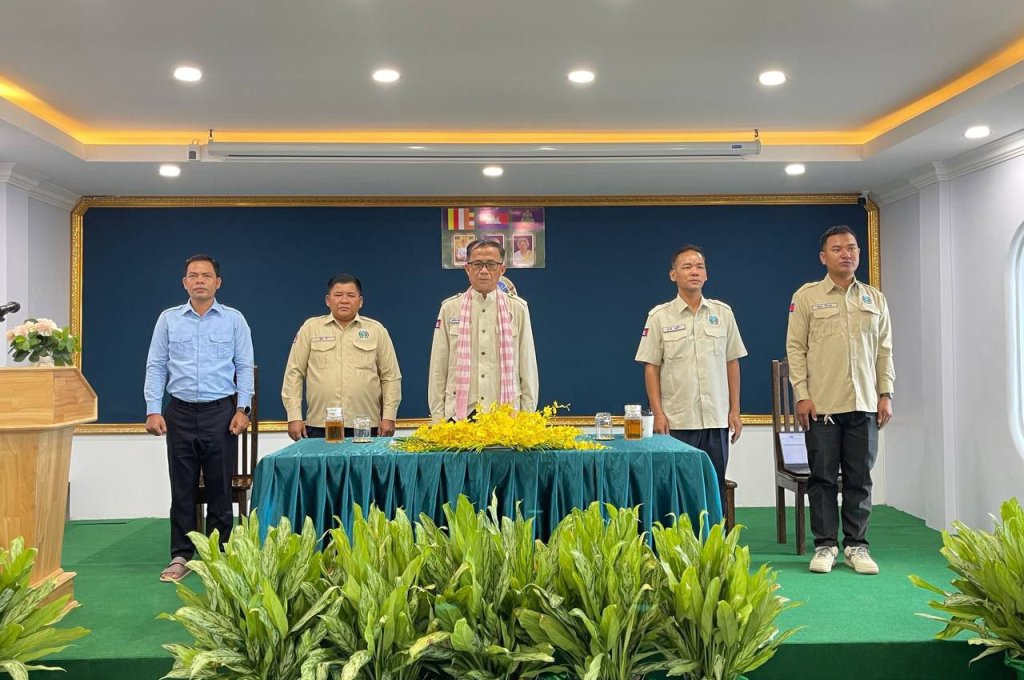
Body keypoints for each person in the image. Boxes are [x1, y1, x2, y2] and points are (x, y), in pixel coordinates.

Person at [786, 225, 894, 575]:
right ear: (823, 257)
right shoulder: (806, 296)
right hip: (822, 405)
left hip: (864, 403)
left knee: (860, 478)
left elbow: (884, 350)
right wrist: (802, 395)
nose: (846, 254)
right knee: (823, 478)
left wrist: (885, 394)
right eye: (837, 249)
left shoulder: (875, 299)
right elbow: (795, 349)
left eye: (852, 248)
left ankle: (856, 546)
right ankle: (825, 546)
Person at [144, 254, 254, 583]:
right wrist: (153, 408)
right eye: (193, 275)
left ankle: (218, 555)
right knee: (182, 488)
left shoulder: (234, 320)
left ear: (217, 282)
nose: (200, 281)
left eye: (206, 275)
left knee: (220, 488)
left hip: (221, 412)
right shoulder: (168, 320)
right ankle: (181, 554)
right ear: (184, 282)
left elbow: (244, 366)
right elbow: (156, 365)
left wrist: (243, 409)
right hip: (178, 412)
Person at [635, 244, 747, 512]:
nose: (694, 272)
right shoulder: (659, 317)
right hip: (677, 420)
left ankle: (713, 535)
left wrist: (735, 410)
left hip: (716, 419)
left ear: (706, 275)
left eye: (699, 267)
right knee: (676, 488)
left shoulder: (723, 313)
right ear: (673, 275)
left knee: (714, 487)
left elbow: (732, 362)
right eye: (687, 267)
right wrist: (658, 414)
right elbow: (651, 367)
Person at [429, 239, 539, 421]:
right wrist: (438, 418)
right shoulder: (450, 308)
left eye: (491, 264)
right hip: (459, 416)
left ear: (502, 269)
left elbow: (528, 367)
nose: (484, 271)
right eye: (477, 264)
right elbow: (438, 368)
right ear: (467, 268)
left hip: (506, 415)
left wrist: (527, 418)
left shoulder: (518, 308)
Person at [282, 273, 401, 440]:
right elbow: (294, 373)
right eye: (338, 295)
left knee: (364, 459)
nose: (344, 300)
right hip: (320, 424)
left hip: (364, 424)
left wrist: (389, 416)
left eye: (351, 295)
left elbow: (391, 377)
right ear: (328, 300)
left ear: (360, 301)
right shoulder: (310, 328)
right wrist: (293, 416)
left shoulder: (376, 330)